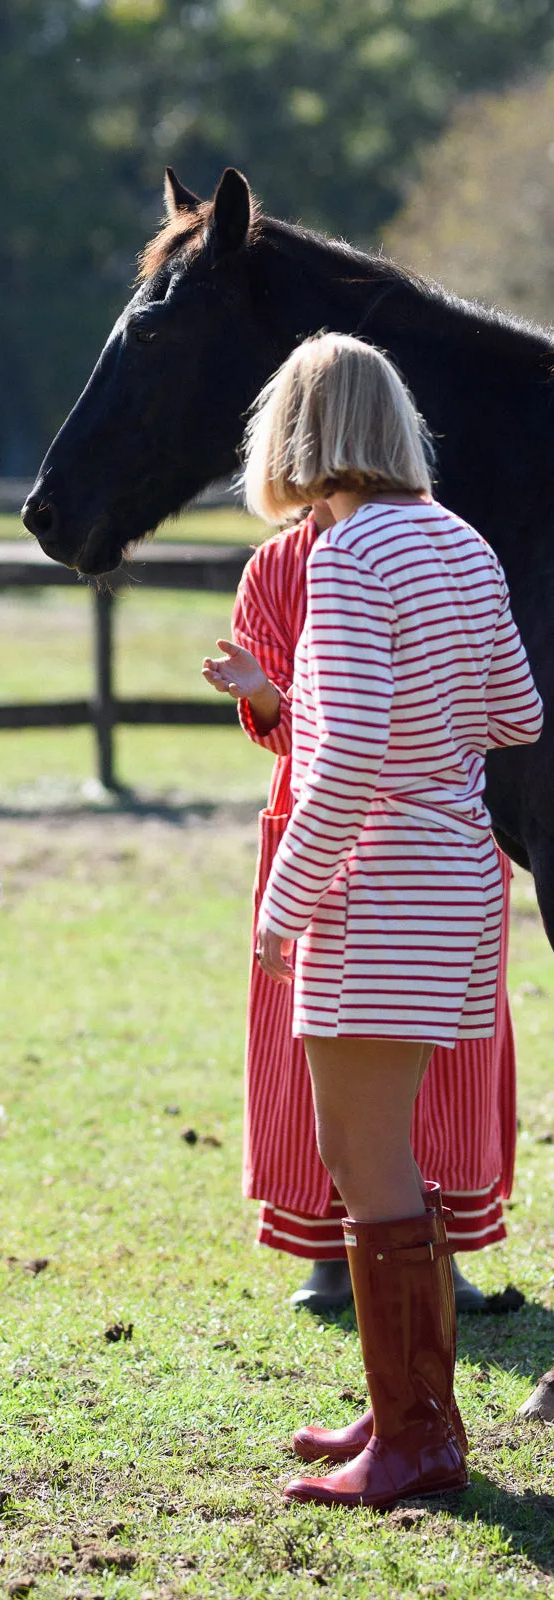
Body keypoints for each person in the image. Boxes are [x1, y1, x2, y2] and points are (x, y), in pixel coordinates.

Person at [229, 332, 541, 1509]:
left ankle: (416, 1438)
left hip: (377, 882)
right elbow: (512, 710)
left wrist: (284, 898)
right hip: (461, 877)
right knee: (388, 1156)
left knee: (361, 1161)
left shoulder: (349, 554)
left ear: (295, 433)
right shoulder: (454, 538)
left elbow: (345, 753)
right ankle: (401, 1399)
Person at [204, 504, 518, 1317]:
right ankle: (329, 1250)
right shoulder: (278, 565)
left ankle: (434, 1256)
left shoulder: (414, 549)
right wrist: (271, 699)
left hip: (398, 834)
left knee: (432, 1059)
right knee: (319, 1062)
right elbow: (293, 739)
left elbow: (383, 730)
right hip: (328, 830)